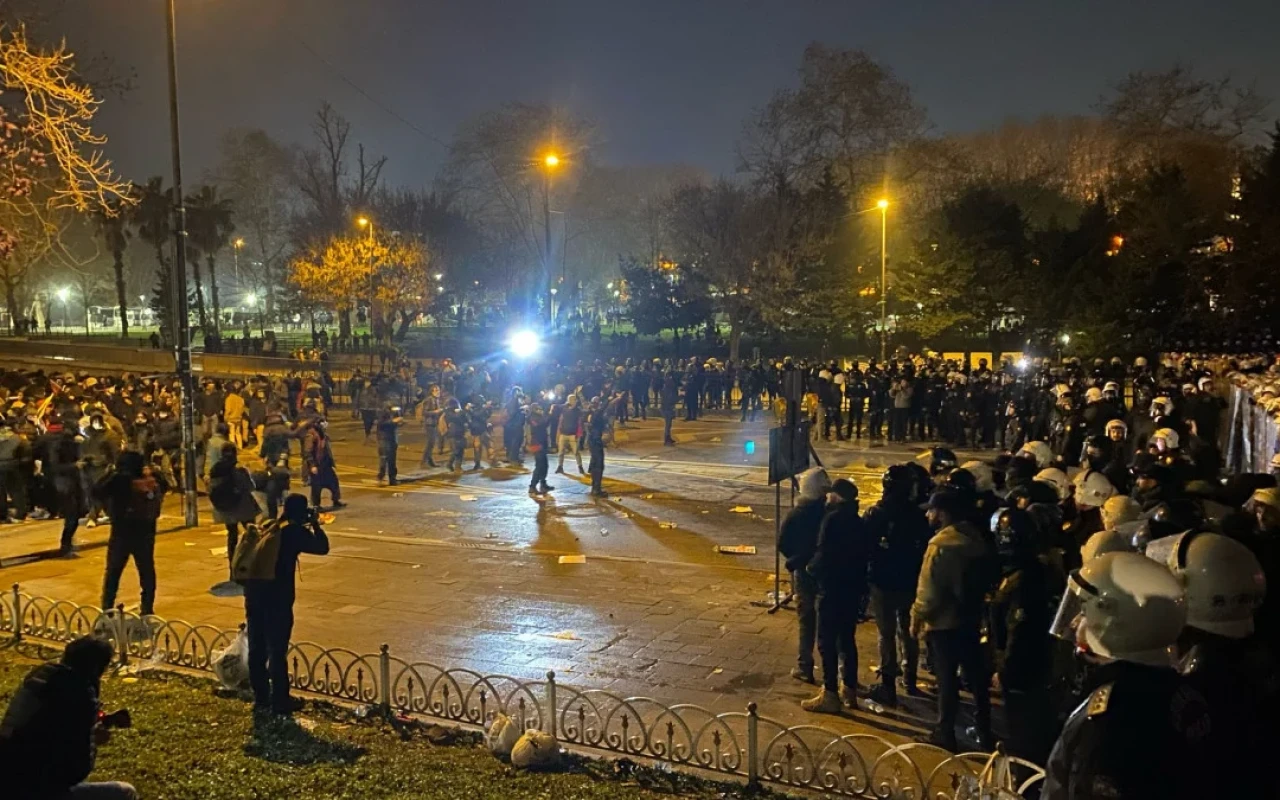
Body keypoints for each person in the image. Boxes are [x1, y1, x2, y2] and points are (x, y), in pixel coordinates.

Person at [1042, 552, 1206, 800]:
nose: (1076, 622)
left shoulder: (1111, 717)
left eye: (1085, 610)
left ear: (1115, 620)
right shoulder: (1179, 686)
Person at [910, 487, 996, 751]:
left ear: (943, 514)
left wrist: (916, 618)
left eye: (932, 511)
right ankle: (985, 730)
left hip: (944, 623)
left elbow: (929, 592)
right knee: (976, 678)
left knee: (946, 682)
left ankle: (945, 732)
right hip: (970, 619)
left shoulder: (940, 546)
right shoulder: (976, 540)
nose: (928, 516)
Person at [0, 636, 137, 800]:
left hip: (6, 781)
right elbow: (77, 771)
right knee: (125, 792)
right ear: (97, 669)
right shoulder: (80, 694)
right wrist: (92, 740)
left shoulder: (38, 678)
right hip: (35, 791)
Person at [243, 494, 330, 716]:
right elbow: (322, 547)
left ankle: (261, 697)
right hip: (277, 599)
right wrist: (315, 524)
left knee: (257, 648)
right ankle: (280, 700)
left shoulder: (271, 526)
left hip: (254, 595)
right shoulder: (293, 532)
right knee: (276, 649)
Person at [988, 507, 1056, 763]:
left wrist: (1005, 670)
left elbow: (1020, 630)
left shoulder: (1024, 579)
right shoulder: (1033, 569)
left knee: (1023, 734)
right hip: (1035, 666)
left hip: (1023, 671)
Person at [801, 478, 870, 713]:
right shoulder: (858, 521)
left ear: (837, 496)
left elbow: (824, 554)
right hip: (851, 590)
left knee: (826, 642)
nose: (828, 497)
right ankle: (848, 690)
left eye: (831, 494)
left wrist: (811, 569)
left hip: (831, 589)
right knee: (847, 641)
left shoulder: (832, 519)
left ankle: (830, 694)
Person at [864, 465, 930, 706]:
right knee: (908, 630)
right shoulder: (917, 514)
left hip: (883, 580)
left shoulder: (878, 513)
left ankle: (888, 683)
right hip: (909, 580)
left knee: (887, 633)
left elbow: (866, 546)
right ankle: (909, 678)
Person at [777, 467, 831, 685]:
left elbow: (782, 543)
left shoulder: (796, 514)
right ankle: (835, 669)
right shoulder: (828, 512)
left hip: (803, 572)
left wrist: (796, 559)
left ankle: (805, 666)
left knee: (806, 620)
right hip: (826, 572)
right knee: (828, 622)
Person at [96, 451, 166, 616]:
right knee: (146, 569)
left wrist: (111, 473)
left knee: (113, 571)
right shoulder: (151, 480)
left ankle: (107, 607)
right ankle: (147, 606)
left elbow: (97, 490)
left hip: (121, 532)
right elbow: (165, 484)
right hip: (145, 531)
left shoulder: (119, 480)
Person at [208, 443, 260, 577]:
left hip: (226, 508)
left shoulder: (215, 469)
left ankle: (232, 566)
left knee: (232, 536)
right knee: (252, 534)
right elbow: (249, 486)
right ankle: (251, 564)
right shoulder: (237, 468)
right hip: (243, 506)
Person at [302, 418, 344, 509]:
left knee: (333, 481)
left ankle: (336, 500)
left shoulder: (323, 434)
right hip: (317, 464)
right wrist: (312, 465)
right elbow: (307, 452)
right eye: (323, 423)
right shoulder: (311, 435)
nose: (325, 425)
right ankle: (316, 505)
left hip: (325, 464)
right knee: (316, 485)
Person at [526, 404, 553, 495]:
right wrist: (548, 414)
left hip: (542, 442)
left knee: (545, 465)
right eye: (538, 409)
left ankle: (543, 483)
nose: (540, 410)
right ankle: (532, 486)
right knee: (539, 465)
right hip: (537, 443)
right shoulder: (532, 418)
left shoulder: (538, 417)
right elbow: (542, 424)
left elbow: (546, 423)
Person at [555, 394, 584, 474]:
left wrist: (579, 434)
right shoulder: (564, 408)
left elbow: (579, 423)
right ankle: (560, 466)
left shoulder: (578, 410)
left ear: (575, 401)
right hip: (563, 433)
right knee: (560, 452)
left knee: (576, 452)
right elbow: (561, 419)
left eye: (573, 399)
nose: (571, 401)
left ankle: (580, 466)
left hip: (573, 434)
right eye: (570, 399)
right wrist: (558, 432)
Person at [586, 397, 609, 497]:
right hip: (595, 440)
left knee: (595, 463)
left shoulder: (590, 413)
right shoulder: (595, 413)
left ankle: (594, 486)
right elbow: (602, 409)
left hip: (592, 440)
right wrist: (608, 399)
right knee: (599, 465)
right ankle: (596, 489)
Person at [375, 406, 403, 486]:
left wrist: (399, 422)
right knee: (384, 459)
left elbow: (397, 423)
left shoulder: (395, 411)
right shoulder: (383, 413)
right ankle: (381, 476)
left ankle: (392, 479)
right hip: (384, 439)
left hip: (392, 439)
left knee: (392, 460)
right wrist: (393, 421)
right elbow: (382, 424)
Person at [419, 385, 442, 468]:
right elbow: (424, 412)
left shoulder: (437, 400)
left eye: (438, 390)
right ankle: (423, 462)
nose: (438, 392)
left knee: (432, 443)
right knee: (430, 443)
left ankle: (430, 461)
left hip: (434, 423)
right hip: (429, 424)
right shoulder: (429, 400)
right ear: (431, 392)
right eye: (436, 390)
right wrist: (435, 412)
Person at [660, 373, 678, 446]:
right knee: (668, 425)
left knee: (669, 424)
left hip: (667, 408)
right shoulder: (667, 390)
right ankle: (666, 439)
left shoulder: (666, 389)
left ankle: (668, 438)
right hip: (667, 408)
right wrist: (680, 397)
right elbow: (671, 400)